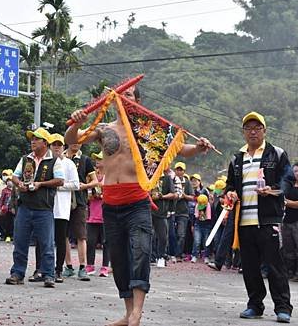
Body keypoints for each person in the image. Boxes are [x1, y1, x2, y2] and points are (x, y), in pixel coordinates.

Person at [65, 85, 212, 326]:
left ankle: (137, 314)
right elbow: (73, 139)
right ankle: (128, 312)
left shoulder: (149, 131)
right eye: (121, 95)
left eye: (129, 94)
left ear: (138, 102)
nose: (123, 98)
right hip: (111, 203)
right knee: (119, 260)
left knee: (141, 252)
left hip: (137, 202)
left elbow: (179, 149)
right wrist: (76, 122)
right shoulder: (104, 129)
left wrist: (198, 147)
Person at [225, 112, 292, 323]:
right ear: (243, 132)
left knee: (275, 265)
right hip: (244, 221)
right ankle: (255, 305)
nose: (253, 131)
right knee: (250, 267)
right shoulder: (237, 158)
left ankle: (283, 308)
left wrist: (274, 190)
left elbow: (288, 179)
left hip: (269, 220)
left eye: (257, 128)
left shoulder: (277, 154)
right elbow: (229, 185)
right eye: (248, 128)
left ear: (264, 130)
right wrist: (230, 193)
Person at [5, 127, 65, 288]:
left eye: (36, 139)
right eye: (32, 139)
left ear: (45, 143)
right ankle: (17, 273)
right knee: (20, 242)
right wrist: (19, 185)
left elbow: (60, 180)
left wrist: (40, 184)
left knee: (46, 243)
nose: (32, 141)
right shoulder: (26, 159)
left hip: (44, 208)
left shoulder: (54, 161)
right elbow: (15, 176)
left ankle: (49, 275)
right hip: (24, 206)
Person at [28, 133, 78, 283]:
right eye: (54, 144)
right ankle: (40, 269)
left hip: (61, 208)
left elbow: (76, 184)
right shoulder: (45, 162)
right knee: (41, 239)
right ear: (49, 146)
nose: (57, 147)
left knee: (60, 239)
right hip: (45, 206)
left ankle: (58, 270)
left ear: (63, 147)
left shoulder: (68, 164)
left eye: (59, 145)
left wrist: (58, 186)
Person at [63, 143, 98, 281]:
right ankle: (68, 266)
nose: (76, 143)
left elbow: (95, 181)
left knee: (81, 235)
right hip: (62, 200)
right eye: (73, 140)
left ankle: (83, 267)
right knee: (63, 234)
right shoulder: (60, 158)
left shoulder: (85, 160)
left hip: (80, 201)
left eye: (79, 140)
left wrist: (85, 186)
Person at [87, 152, 111, 276]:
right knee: (90, 241)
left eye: (100, 158)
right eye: (96, 158)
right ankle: (90, 266)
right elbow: (88, 192)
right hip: (92, 215)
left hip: (106, 215)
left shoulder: (110, 176)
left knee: (106, 242)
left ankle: (105, 267)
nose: (97, 161)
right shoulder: (92, 176)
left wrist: (102, 194)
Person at [170, 162, 193, 263]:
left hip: (183, 212)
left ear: (184, 171)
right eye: (177, 170)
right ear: (175, 171)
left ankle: (178, 254)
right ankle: (170, 253)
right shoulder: (171, 180)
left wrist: (184, 196)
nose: (179, 172)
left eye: (181, 170)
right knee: (170, 234)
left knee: (181, 234)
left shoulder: (187, 182)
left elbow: (192, 197)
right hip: (171, 210)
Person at [281, 163, 298, 282]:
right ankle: (289, 272)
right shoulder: (288, 186)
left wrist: (286, 202)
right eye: (295, 171)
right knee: (288, 249)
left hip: (297, 222)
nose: (296, 173)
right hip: (286, 221)